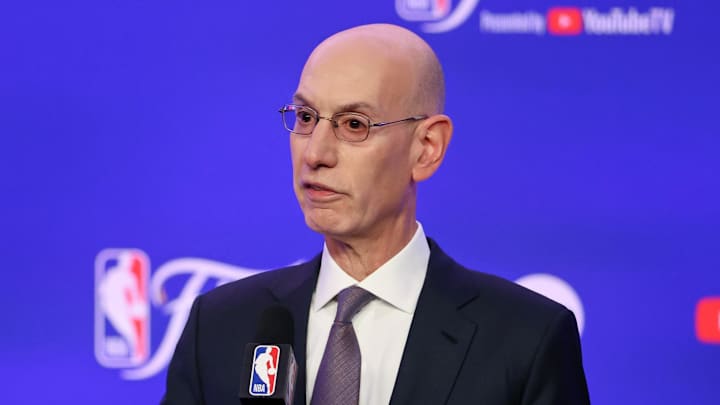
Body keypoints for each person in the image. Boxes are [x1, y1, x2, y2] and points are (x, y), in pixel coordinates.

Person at [162, 23, 590, 405]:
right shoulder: (219, 326)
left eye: (354, 125)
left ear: (427, 148)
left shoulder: (525, 338)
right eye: (307, 117)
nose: (315, 153)